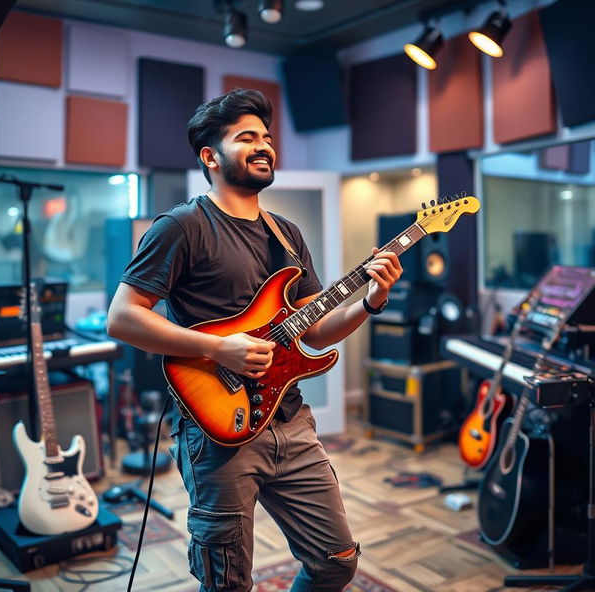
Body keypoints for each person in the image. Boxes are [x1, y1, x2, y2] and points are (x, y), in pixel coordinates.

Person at [107, 88, 403, 591]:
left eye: (266, 137)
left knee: (335, 562)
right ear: (210, 156)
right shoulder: (182, 226)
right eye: (247, 137)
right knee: (227, 582)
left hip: (289, 420)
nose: (264, 145)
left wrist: (370, 301)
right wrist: (218, 348)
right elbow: (122, 318)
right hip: (217, 430)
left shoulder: (285, 233)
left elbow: (313, 327)